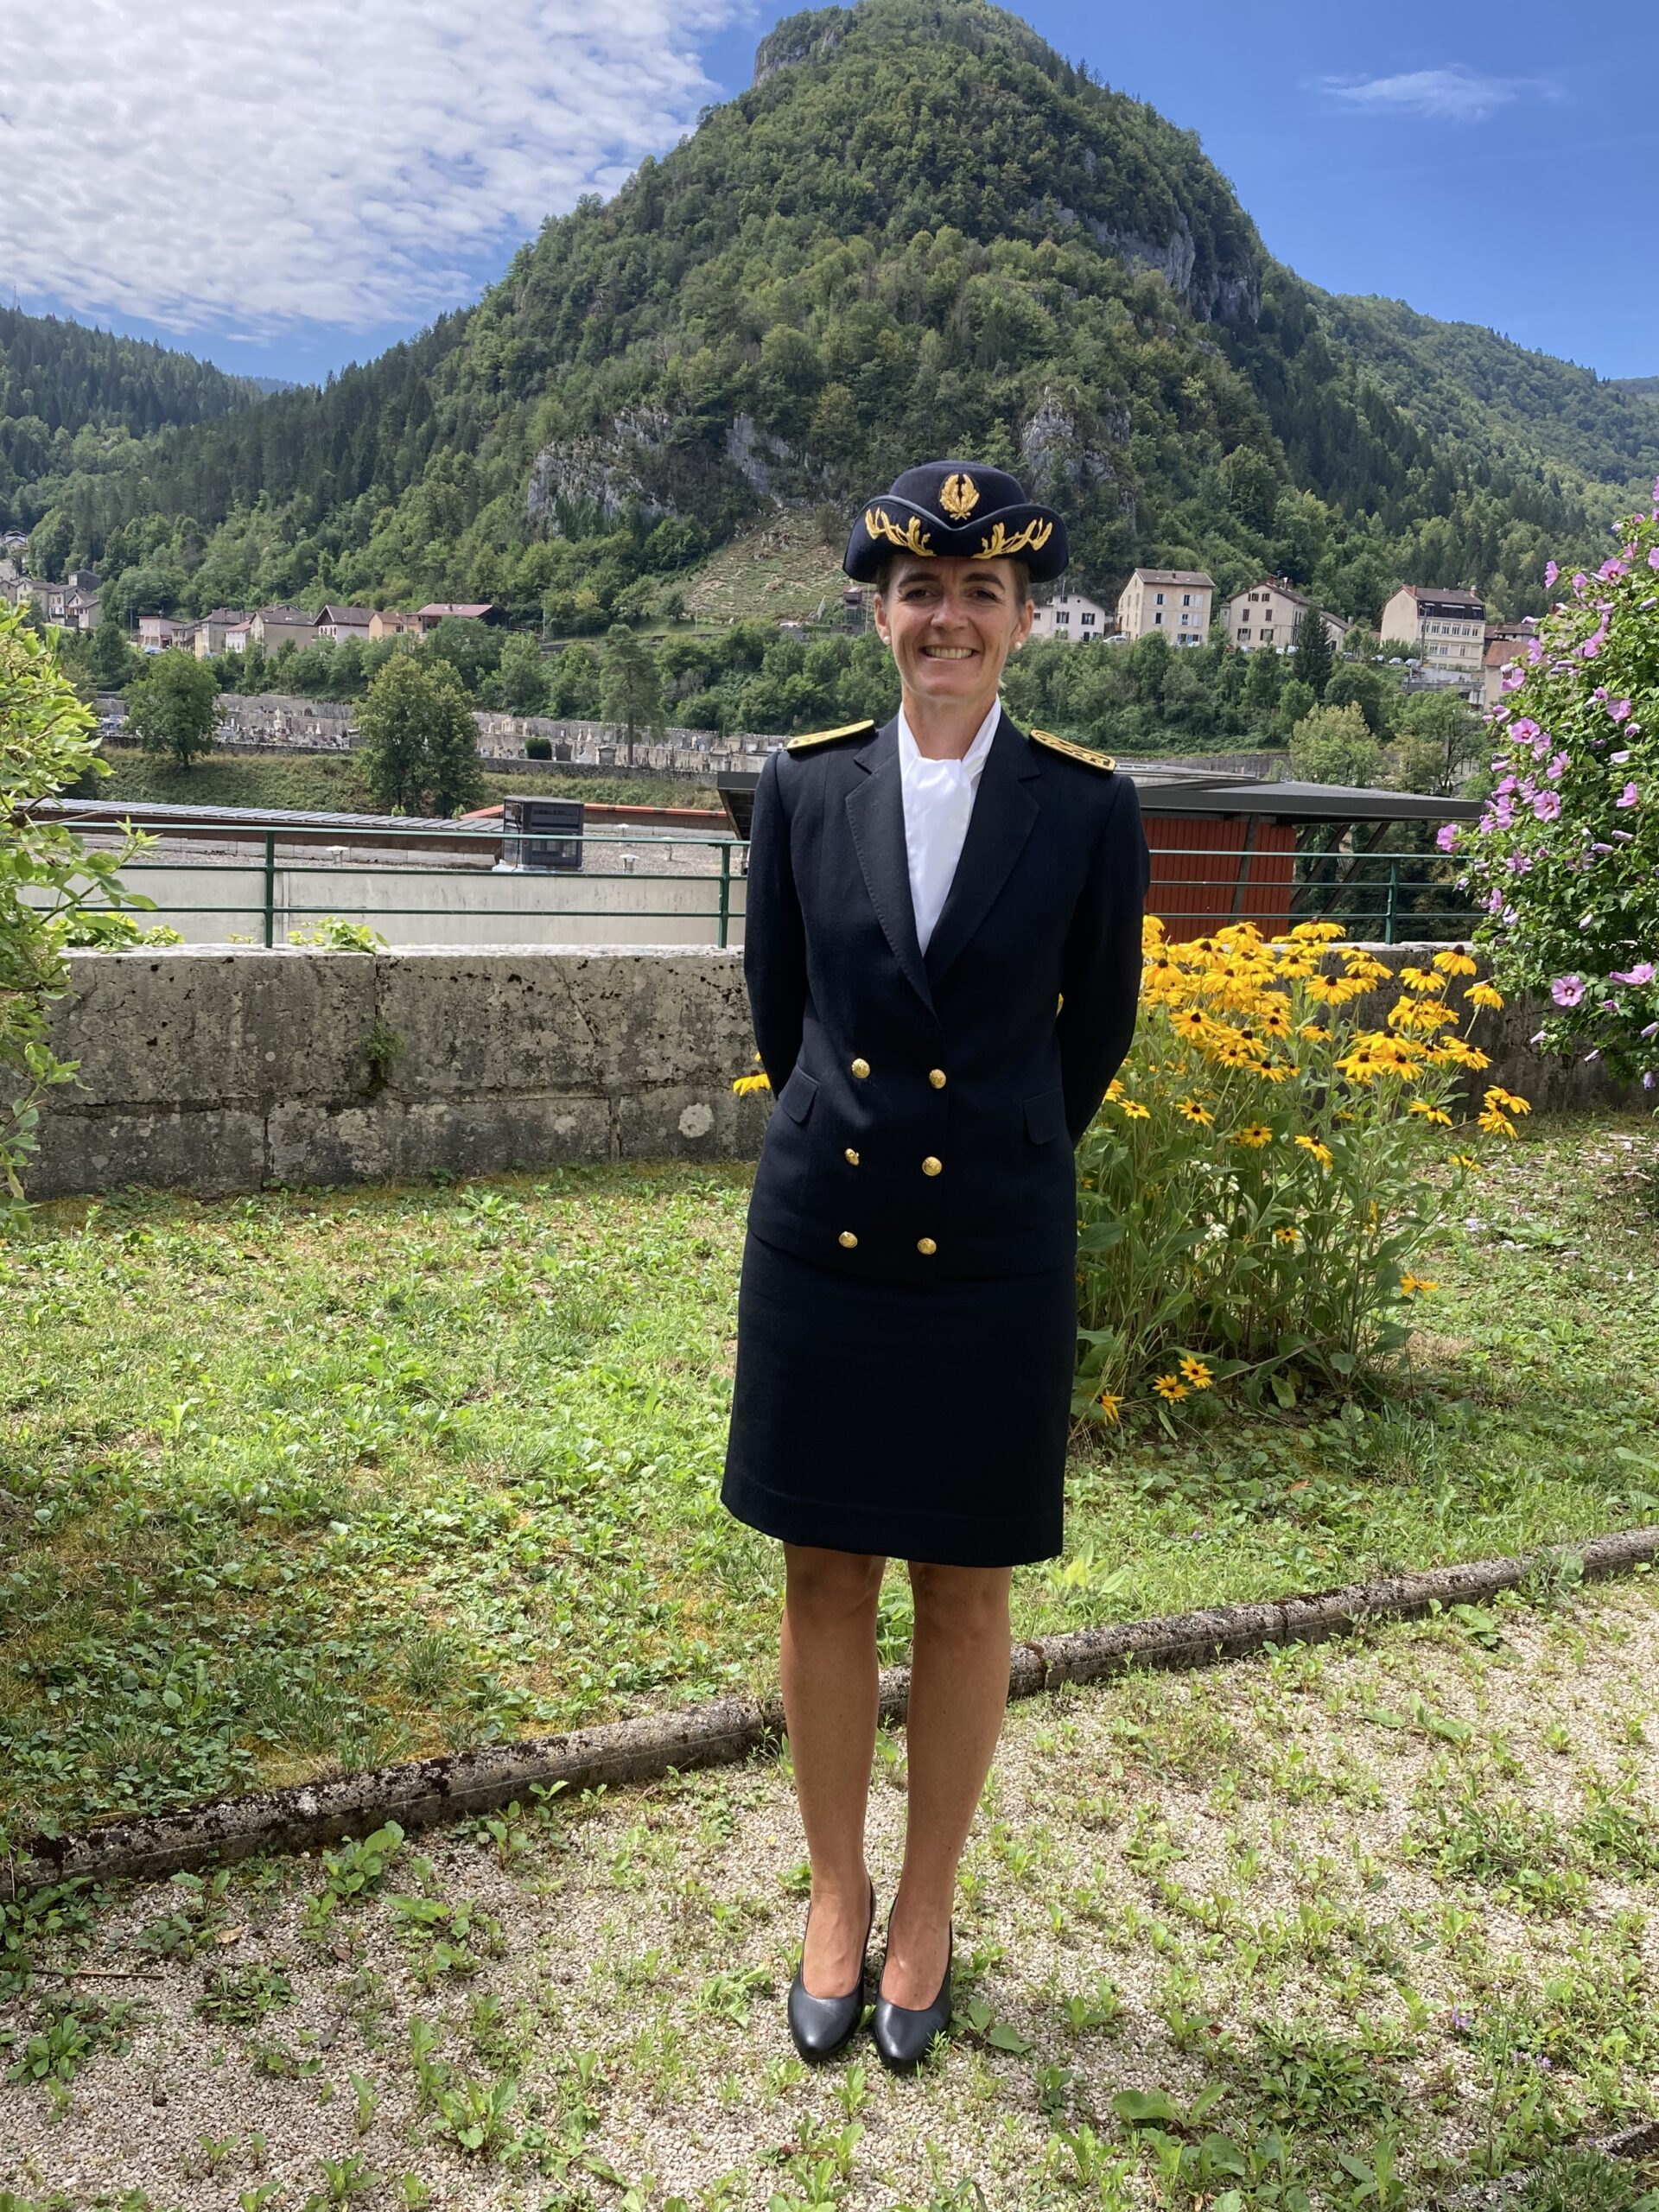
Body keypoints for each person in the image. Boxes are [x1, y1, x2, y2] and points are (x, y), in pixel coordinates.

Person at [721, 461, 1150, 2073]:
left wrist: (989, 1157)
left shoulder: (1087, 805)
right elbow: (784, 1014)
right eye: (919, 591)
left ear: (1024, 622)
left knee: (967, 1591)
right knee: (823, 1574)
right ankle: (836, 1894)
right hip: (824, 1234)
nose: (947, 620)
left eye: (982, 594)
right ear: (879, 615)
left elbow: (1088, 1039)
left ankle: (926, 1905)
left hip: (991, 1246)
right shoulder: (803, 786)